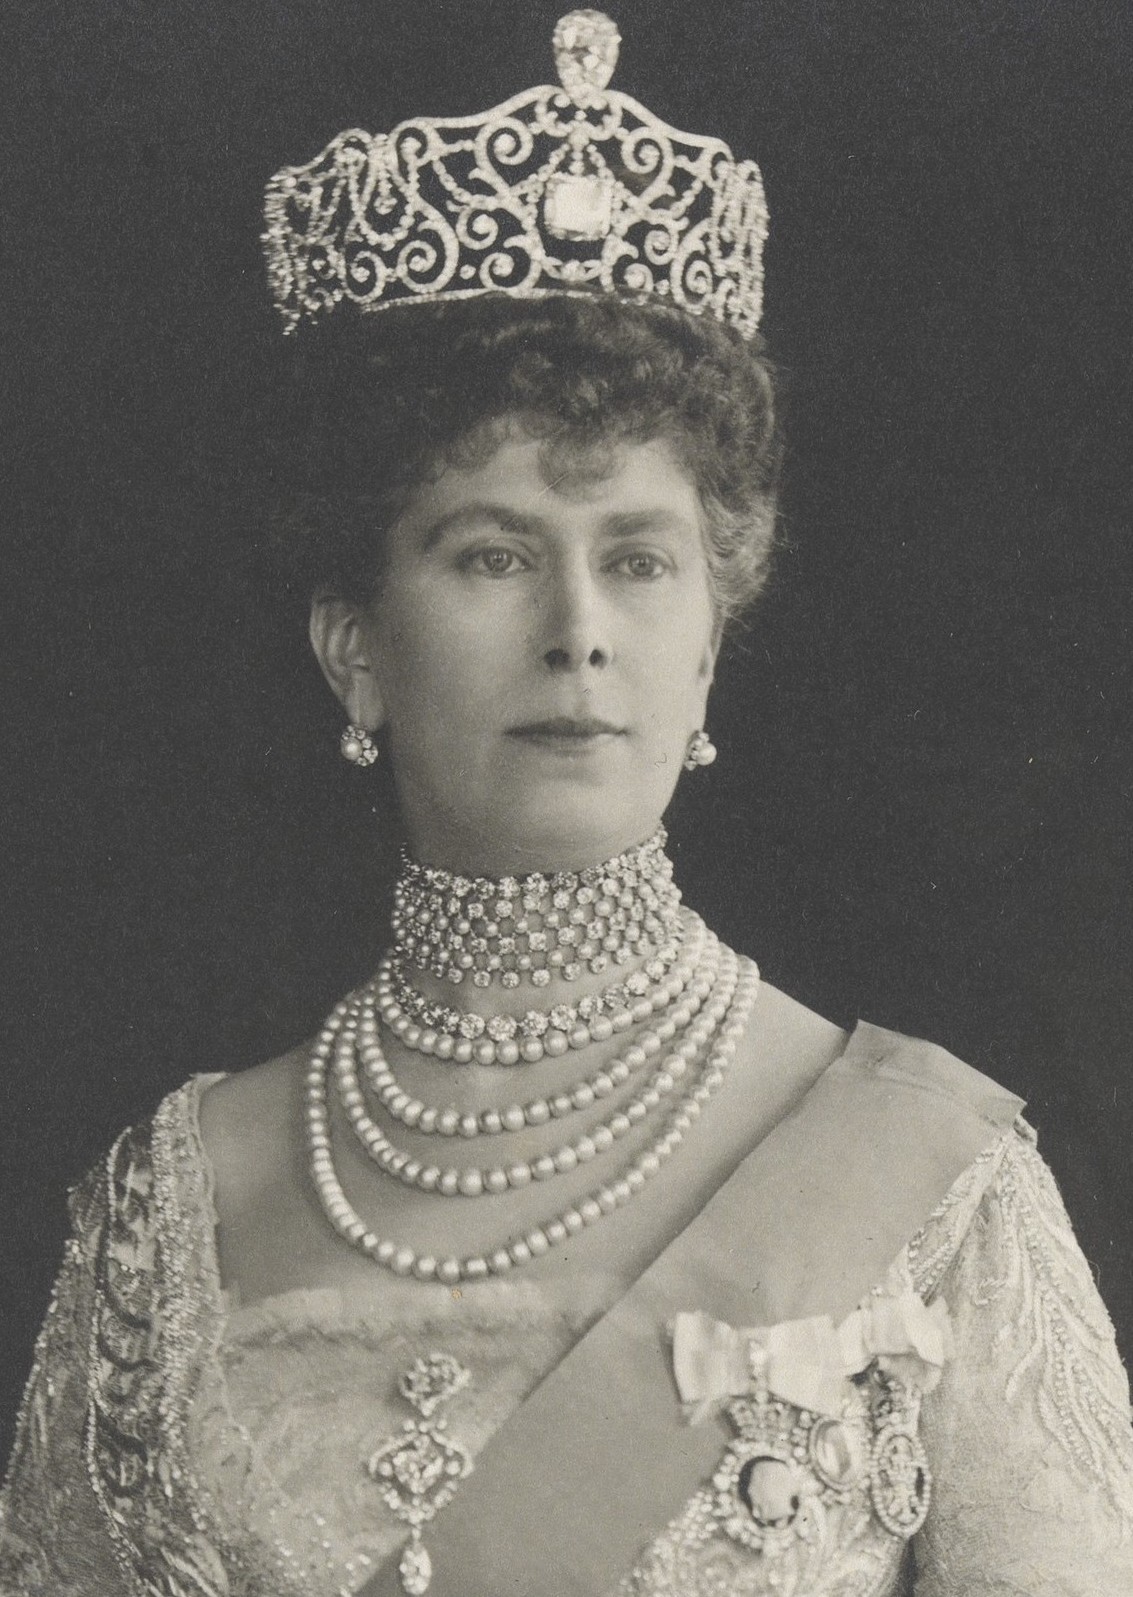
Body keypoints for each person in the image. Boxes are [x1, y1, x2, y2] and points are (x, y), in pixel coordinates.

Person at [2, 11, 1131, 1596]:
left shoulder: (929, 1181)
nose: (576, 626)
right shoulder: (167, 1207)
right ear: (354, 649)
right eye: (490, 552)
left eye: (639, 558)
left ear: (710, 639)